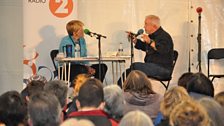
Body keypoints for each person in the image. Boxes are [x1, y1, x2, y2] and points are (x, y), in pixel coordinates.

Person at [118, 15, 174, 86]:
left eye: (146, 24)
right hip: (152, 66)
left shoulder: (164, 37)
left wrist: (150, 41)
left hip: (163, 68)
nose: (144, 27)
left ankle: (123, 91)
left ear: (154, 26)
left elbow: (162, 50)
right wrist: (135, 40)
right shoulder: (152, 36)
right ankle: (120, 90)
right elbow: (146, 47)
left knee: (135, 66)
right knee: (128, 72)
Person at [59, 20, 107, 86]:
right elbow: (70, 58)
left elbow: (84, 56)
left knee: (102, 67)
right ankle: (76, 90)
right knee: (81, 69)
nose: (83, 31)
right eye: (81, 29)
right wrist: (86, 68)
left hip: (81, 66)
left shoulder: (82, 40)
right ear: (74, 32)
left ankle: (96, 88)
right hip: (67, 68)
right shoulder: (65, 40)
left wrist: (88, 67)